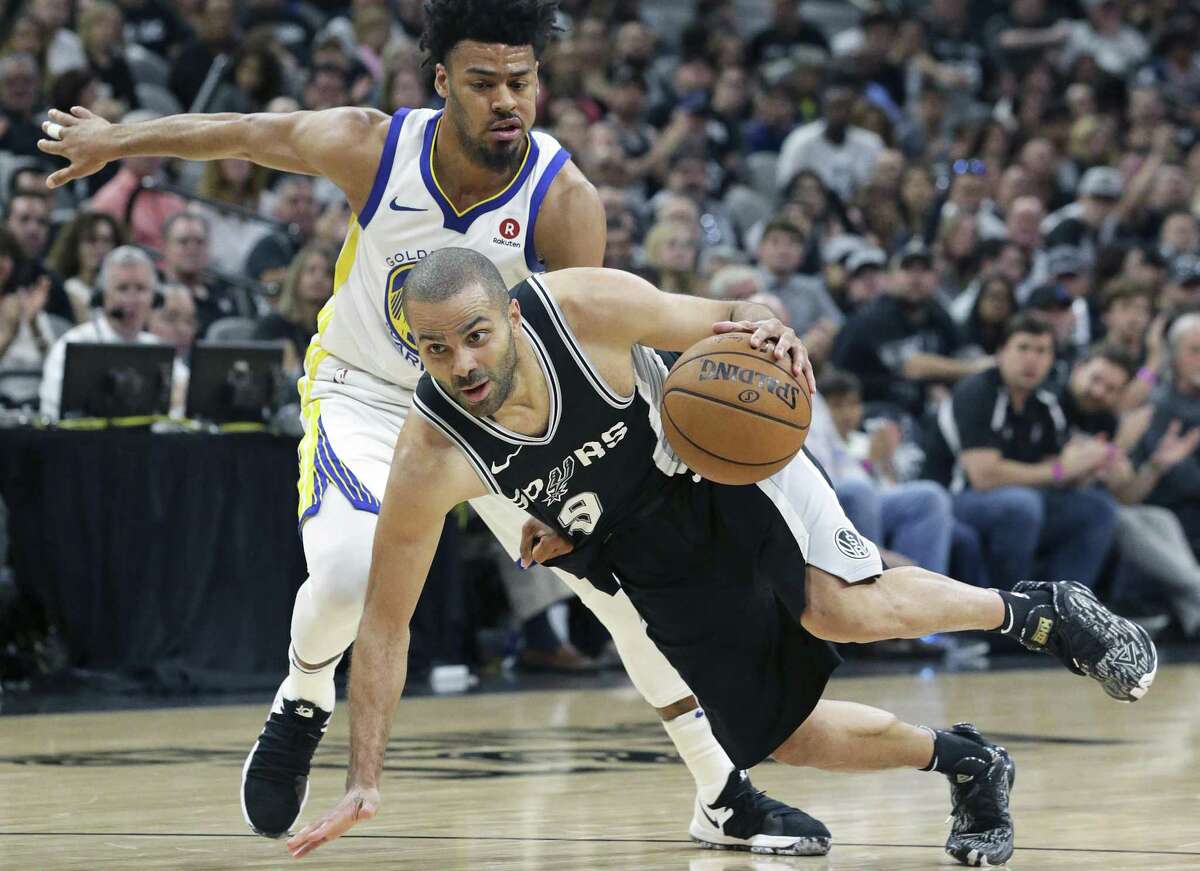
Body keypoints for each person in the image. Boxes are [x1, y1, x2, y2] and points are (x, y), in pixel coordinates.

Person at [38, 0, 818, 854]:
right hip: (369, 391)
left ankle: (722, 792)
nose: (506, 100)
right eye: (483, 82)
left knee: (629, 601)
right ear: (443, 82)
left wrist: (587, 499)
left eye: (520, 80)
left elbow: (585, 353)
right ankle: (304, 691)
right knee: (345, 579)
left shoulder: (563, 199)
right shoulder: (373, 146)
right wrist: (118, 141)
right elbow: (243, 131)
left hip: (494, 415)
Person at [285, 250, 1156, 865]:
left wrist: (774, 335)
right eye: (436, 350)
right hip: (638, 549)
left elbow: (736, 316)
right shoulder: (430, 453)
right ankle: (967, 761)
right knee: (783, 734)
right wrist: (365, 777)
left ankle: (1041, 610)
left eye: (475, 335)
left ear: (510, 312)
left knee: (839, 605)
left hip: (711, 463)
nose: (461, 364)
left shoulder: (579, 308)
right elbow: (386, 625)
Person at [934, 313, 1119, 591]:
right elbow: (984, 476)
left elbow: (1055, 466)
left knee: (1097, 508)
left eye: (1042, 351)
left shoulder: (1045, 403)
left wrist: (1087, 466)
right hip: (955, 497)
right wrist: (1061, 470)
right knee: (1022, 505)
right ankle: (1010, 614)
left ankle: (1065, 610)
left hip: (1018, 500)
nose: (1032, 359)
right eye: (1023, 348)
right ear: (1001, 352)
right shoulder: (978, 392)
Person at [38, 246, 160, 420]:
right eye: (122, 288)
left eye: (141, 288)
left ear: (155, 297)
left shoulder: (156, 347)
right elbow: (52, 408)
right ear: (101, 296)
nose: (133, 299)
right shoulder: (73, 344)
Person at [253, 245, 333, 373]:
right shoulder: (272, 326)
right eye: (311, 271)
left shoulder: (332, 328)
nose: (319, 278)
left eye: (327, 273)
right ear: (295, 278)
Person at [45, 212, 126, 323]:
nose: (99, 248)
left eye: (106, 241)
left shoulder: (126, 290)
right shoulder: (67, 291)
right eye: (91, 240)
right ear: (76, 246)